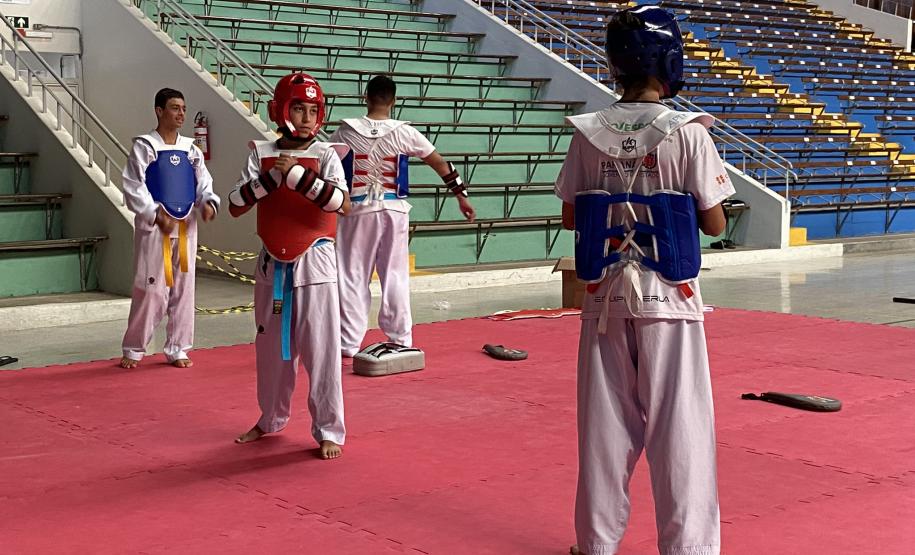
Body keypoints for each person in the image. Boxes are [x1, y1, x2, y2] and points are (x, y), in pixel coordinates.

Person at [554, 6, 735, 555]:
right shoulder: (688, 135)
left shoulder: (589, 133)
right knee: (680, 430)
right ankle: (689, 548)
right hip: (670, 299)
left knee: (604, 433)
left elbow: (570, 216)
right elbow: (715, 221)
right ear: (668, 61)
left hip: (604, 298)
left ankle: (595, 543)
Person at [229, 73, 350, 460]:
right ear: (280, 110)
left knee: (322, 349)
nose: (306, 117)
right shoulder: (260, 152)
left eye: (313, 109)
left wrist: (298, 177)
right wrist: (271, 178)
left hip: (315, 260)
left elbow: (342, 205)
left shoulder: (329, 153)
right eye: (298, 107)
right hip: (271, 261)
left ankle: (329, 429)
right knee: (269, 349)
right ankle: (271, 418)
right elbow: (235, 203)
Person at [330, 75, 476, 357]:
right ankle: (401, 337)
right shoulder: (405, 132)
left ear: (366, 97)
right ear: (393, 101)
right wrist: (461, 196)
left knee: (351, 274)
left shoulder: (345, 132)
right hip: (394, 209)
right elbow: (440, 163)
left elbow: (328, 163)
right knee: (395, 274)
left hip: (357, 209)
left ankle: (347, 341)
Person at [120, 87, 219, 370]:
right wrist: (153, 212)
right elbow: (133, 185)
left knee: (184, 289)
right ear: (159, 110)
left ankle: (178, 347)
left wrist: (208, 202)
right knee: (151, 288)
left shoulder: (190, 149)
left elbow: (203, 183)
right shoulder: (144, 146)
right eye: (175, 108)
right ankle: (134, 347)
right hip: (156, 227)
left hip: (186, 225)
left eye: (184, 108)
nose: (181, 114)